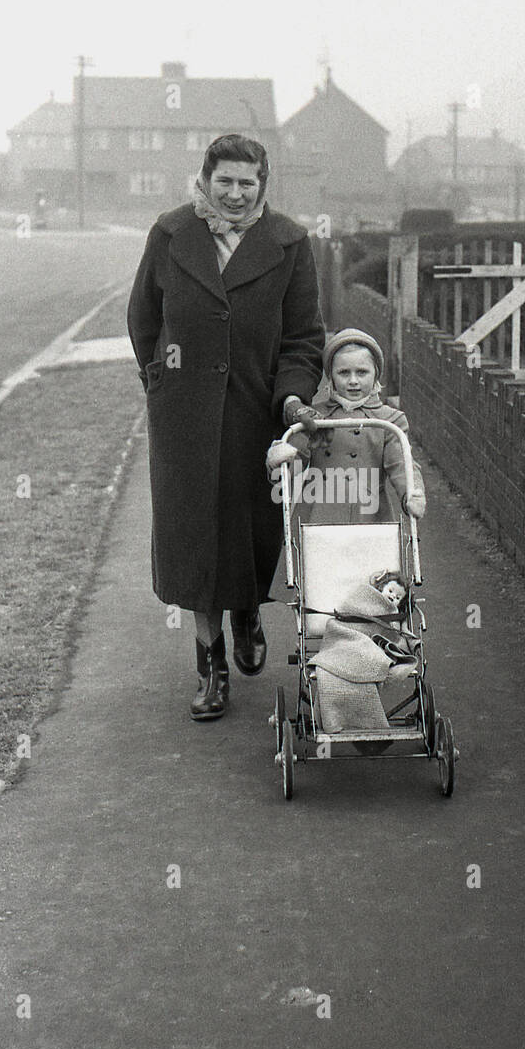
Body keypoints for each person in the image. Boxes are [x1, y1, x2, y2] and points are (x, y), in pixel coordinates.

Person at [127, 134, 324, 722]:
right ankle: (209, 664)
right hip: (184, 418)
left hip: (256, 412)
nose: (235, 195)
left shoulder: (288, 242)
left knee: (251, 529)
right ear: (205, 179)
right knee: (193, 536)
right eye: (225, 182)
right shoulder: (170, 234)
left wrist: (290, 397)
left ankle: (247, 611)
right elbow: (144, 318)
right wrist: (161, 382)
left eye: (248, 183)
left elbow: (303, 338)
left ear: (263, 185)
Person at [266, 327, 426, 525]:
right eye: (343, 373)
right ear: (331, 376)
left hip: (369, 514)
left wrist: (411, 493)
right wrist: (282, 459)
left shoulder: (388, 420)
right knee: (315, 553)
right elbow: (295, 461)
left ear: (375, 374)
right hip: (319, 512)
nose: (353, 381)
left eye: (362, 372)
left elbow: (401, 464)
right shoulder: (315, 417)